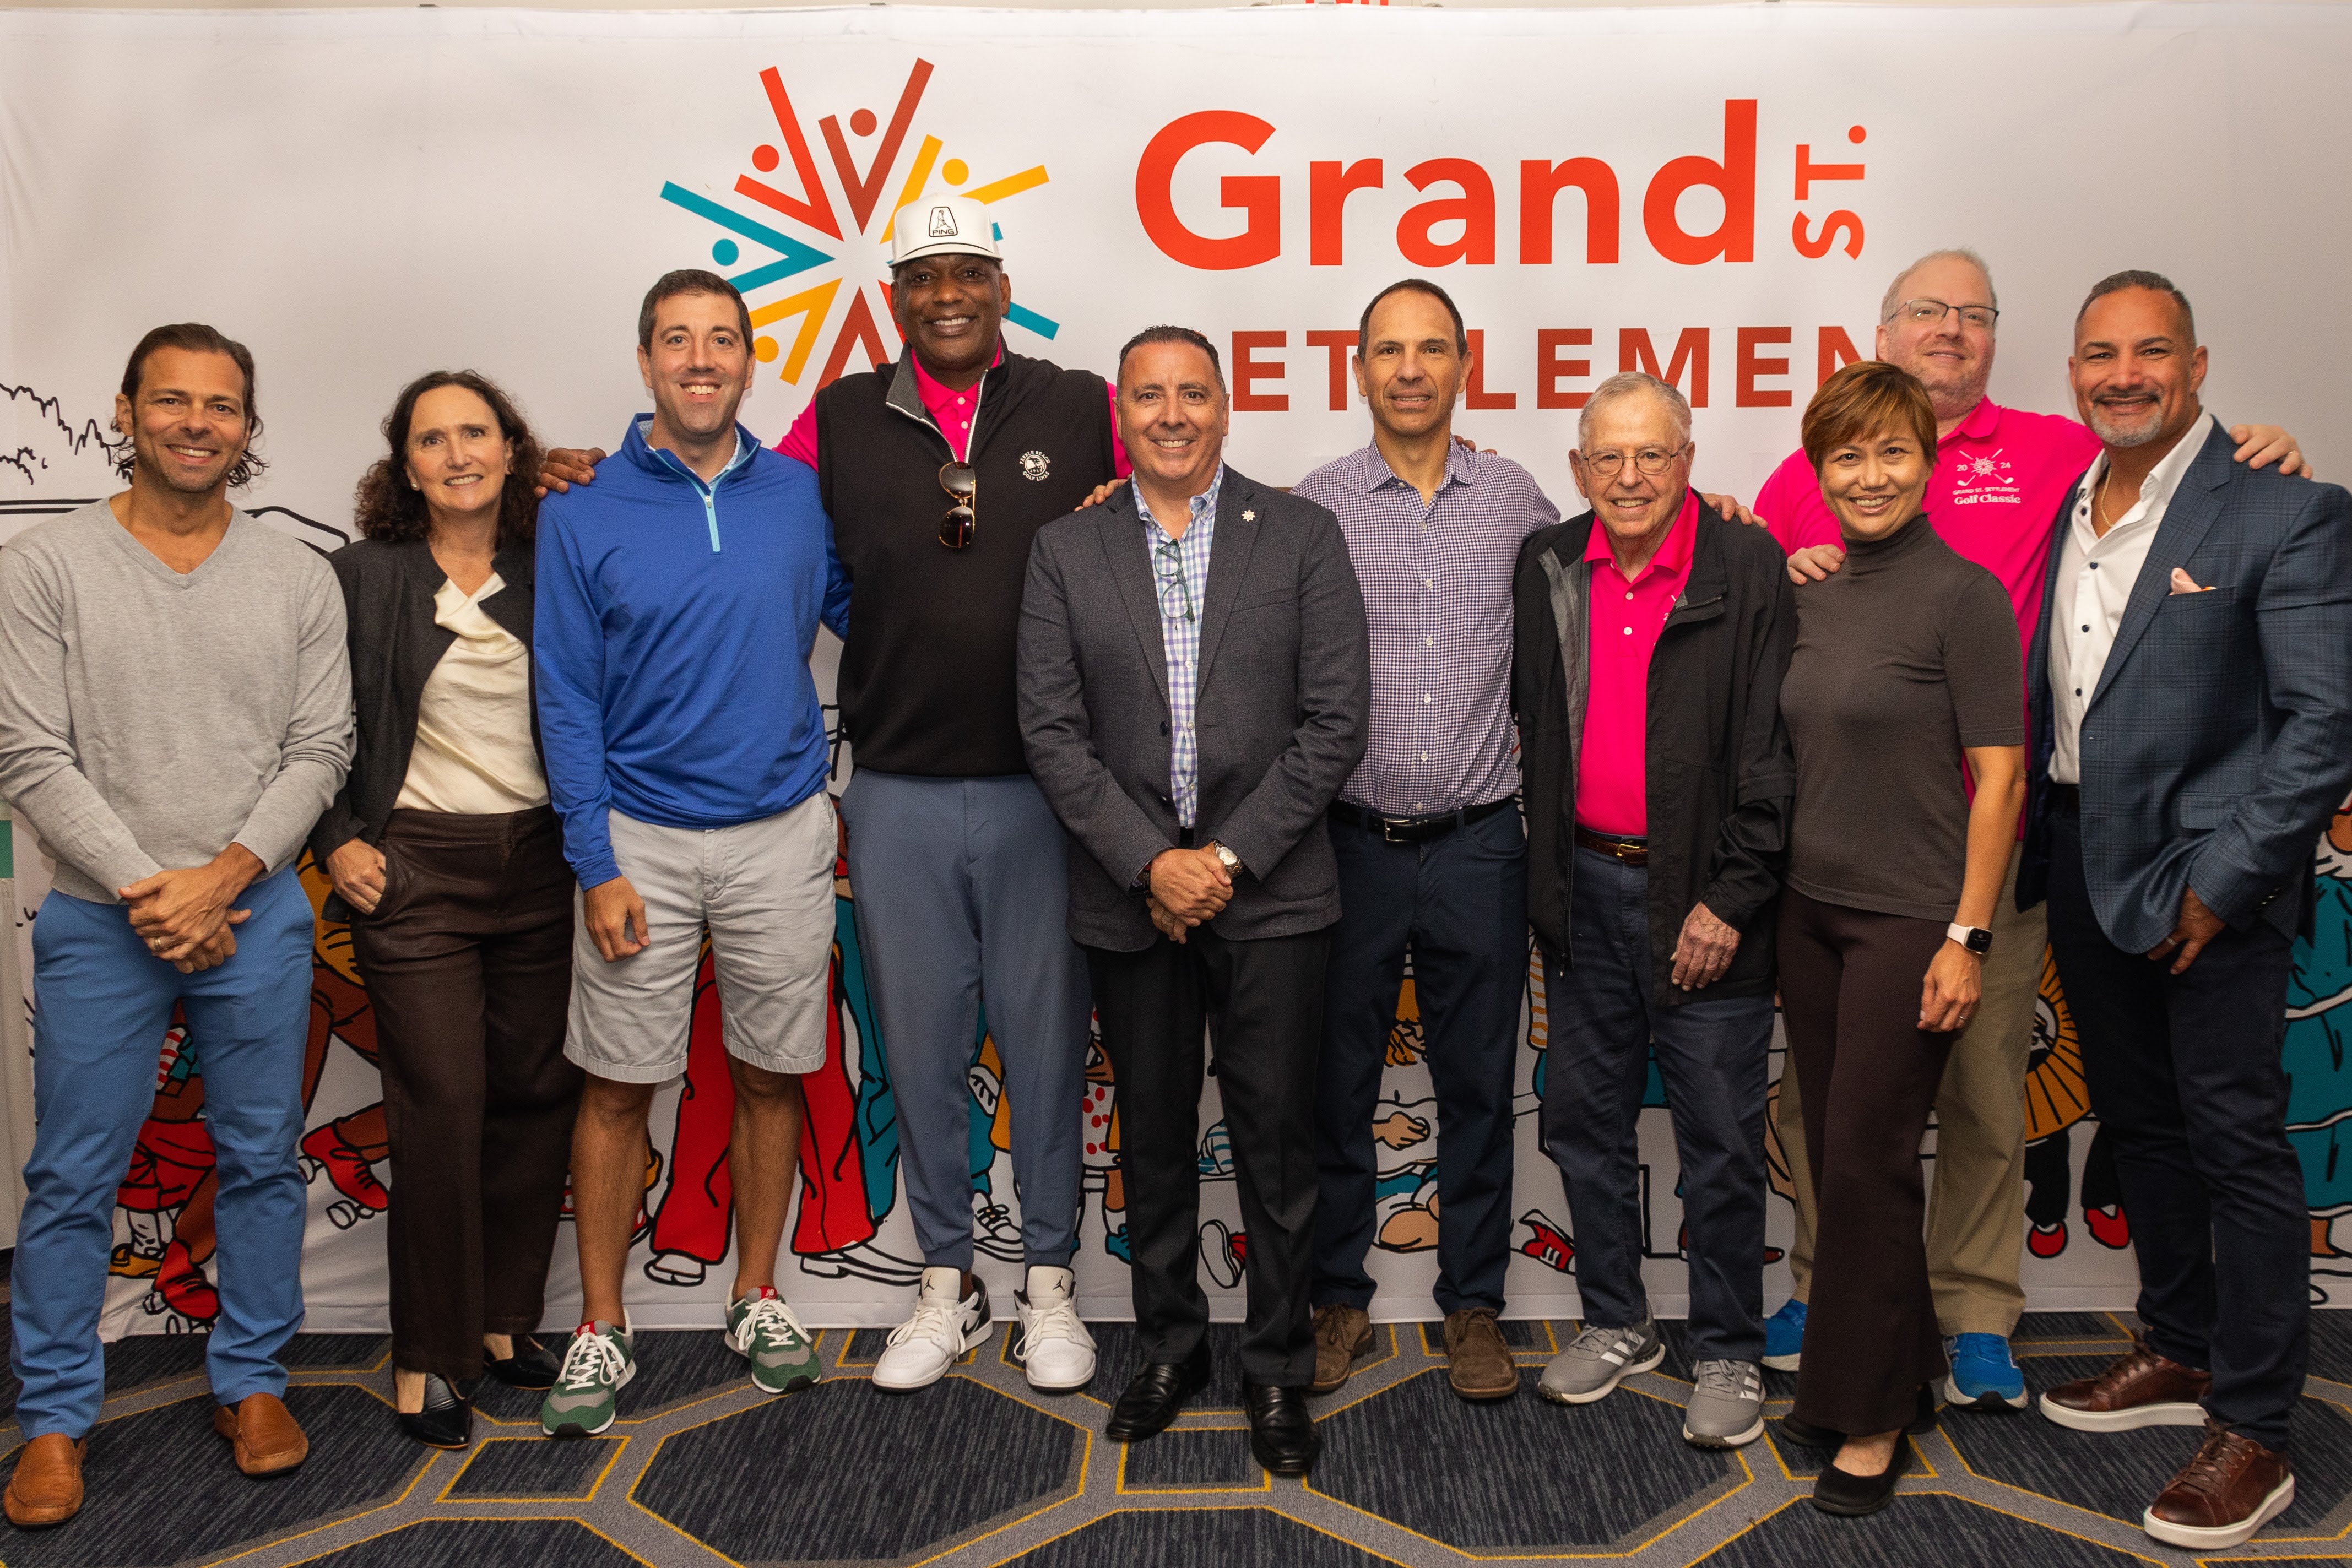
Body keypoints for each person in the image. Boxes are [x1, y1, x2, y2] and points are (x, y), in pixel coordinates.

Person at [540, 197, 1123, 1394]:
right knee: (916, 1051)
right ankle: (945, 1283)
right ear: (894, 296)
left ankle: (1051, 1280)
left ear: (1002, 286)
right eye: (922, 275)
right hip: (894, 787)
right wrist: (584, 465)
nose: (945, 293)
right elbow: (727, 495)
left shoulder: (1079, 405)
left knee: (1048, 1047)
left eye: (967, 272)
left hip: (1042, 787)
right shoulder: (841, 420)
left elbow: (1160, 499)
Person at [1750, 248, 2309, 1406]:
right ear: (1883, 330)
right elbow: (1761, 594)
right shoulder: (1810, 467)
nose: (1948, 331)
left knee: (1983, 1092)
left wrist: (2258, 450)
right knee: (1825, 1097)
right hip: (1840, 849)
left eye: (1972, 315)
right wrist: (1755, 538)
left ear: (2000, 342)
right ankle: (1825, 1278)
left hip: (1994, 843)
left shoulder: (2062, 451)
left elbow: (2183, 479)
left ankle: (1971, 1309)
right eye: (1924, 313)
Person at [2020, 272, 2352, 1552]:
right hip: (2076, 854)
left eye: (2147, 352)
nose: (2121, 374)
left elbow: (2321, 718)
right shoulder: (2061, 506)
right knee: (2144, 1129)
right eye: (2097, 354)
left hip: (2208, 874)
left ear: (2196, 364)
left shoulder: (2283, 508)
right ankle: (2180, 1346)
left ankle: (2257, 1425)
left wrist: (2221, 883)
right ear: (2071, 371)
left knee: (2236, 1145)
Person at [0, 324, 353, 1527]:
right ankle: (53, 1415)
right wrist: (159, 889)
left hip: (255, 913)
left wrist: (229, 876)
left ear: (249, 427)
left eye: (222, 405)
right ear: (127, 411)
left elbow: (322, 747)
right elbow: (28, 751)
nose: (197, 422)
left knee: (259, 1160)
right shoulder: (45, 565)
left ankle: (249, 1379)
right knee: (72, 1175)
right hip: (106, 921)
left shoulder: (297, 576)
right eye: (173, 401)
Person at [1018, 326, 1369, 1474]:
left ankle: (1275, 1365)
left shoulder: (1302, 535)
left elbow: (1331, 726)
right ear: (1120, 410)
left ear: (1226, 406)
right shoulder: (1065, 549)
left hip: (1268, 897)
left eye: (1192, 393)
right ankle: (1170, 1345)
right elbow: (1051, 731)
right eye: (1149, 395)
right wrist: (1148, 861)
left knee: (1274, 1145)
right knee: (1156, 1135)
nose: (1171, 413)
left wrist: (1216, 863)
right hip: (1130, 899)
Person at [532, 270, 846, 1437]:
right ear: (645, 359)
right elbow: (563, 694)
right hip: (639, 844)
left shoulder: (800, 497)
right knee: (619, 1085)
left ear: (749, 361)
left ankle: (754, 1292)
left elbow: (885, 613)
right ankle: (602, 1323)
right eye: (677, 340)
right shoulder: (581, 505)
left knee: (770, 1073)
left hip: (779, 828)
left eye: (721, 340)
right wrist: (594, 858)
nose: (700, 359)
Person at [1513, 372, 1796, 1448]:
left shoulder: (1745, 562)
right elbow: (1530, 725)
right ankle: (1616, 1318)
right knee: (1582, 1121)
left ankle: (1726, 1344)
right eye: (1607, 457)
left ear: (1687, 460)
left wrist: (1728, 895)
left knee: (1719, 1139)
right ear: (1579, 468)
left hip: (1708, 901)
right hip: (1581, 894)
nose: (1629, 476)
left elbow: (1775, 751)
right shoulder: (1544, 562)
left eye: (1652, 454)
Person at [1287, 280, 1556, 1402]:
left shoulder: (1517, 498)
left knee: (1477, 1087)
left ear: (1461, 364)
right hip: (1343, 842)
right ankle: (1337, 1296)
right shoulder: (1313, 503)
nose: (1408, 368)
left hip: (1480, 841)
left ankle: (1475, 1306)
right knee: (1336, 1082)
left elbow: (1605, 584)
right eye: (1387, 350)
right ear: (1358, 369)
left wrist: (1719, 517)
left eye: (1429, 348)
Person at [1770, 360, 2025, 1516]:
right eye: (1845, 455)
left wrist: (1965, 933)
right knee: (1836, 1155)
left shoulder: (1961, 593)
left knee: (1869, 1163)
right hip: (1807, 912)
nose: (1867, 475)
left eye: (1889, 452)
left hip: (1907, 921)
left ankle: (1865, 1418)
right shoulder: (1809, 586)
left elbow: (1999, 775)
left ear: (1927, 461)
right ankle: (1893, 1372)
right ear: (1817, 469)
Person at [308, 370, 579, 1448]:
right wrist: (337, 840)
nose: (458, 451)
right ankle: (428, 1348)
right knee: (443, 1102)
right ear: (404, 461)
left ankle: (506, 1321)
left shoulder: (552, 562)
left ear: (512, 448)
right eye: (434, 437)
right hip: (412, 872)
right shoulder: (359, 577)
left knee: (533, 1091)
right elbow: (303, 728)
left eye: (477, 431)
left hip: (542, 864)